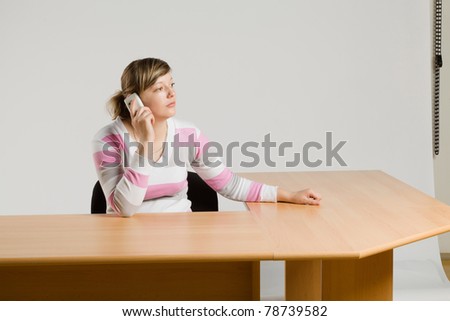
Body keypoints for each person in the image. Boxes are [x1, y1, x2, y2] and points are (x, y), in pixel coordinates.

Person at [92, 58, 321, 217]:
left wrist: (288, 195)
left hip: (181, 238)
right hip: (125, 241)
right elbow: (125, 209)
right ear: (134, 100)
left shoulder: (187, 134)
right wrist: (145, 144)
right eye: (159, 88)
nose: (172, 94)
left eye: (171, 85)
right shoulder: (108, 140)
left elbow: (230, 184)